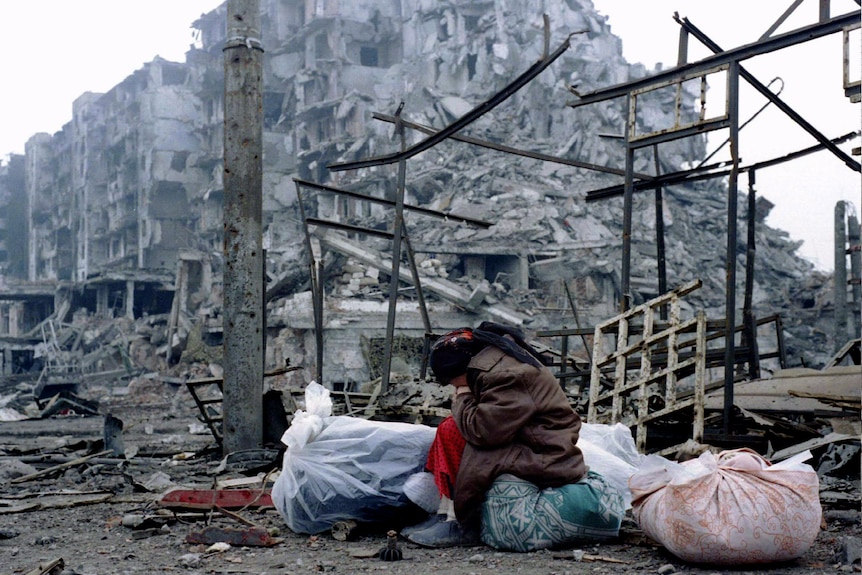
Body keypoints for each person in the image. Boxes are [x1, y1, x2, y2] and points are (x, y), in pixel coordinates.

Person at [402, 321, 587, 548]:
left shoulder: (506, 375)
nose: (452, 387)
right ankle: (445, 512)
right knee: (451, 426)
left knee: (454, 431)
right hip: (524, 440)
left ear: (460, 370)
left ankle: (461, 522)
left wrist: (462, 396)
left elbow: (483, 431)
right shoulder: (493, 365)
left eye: (451, 381)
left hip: (544, 452)